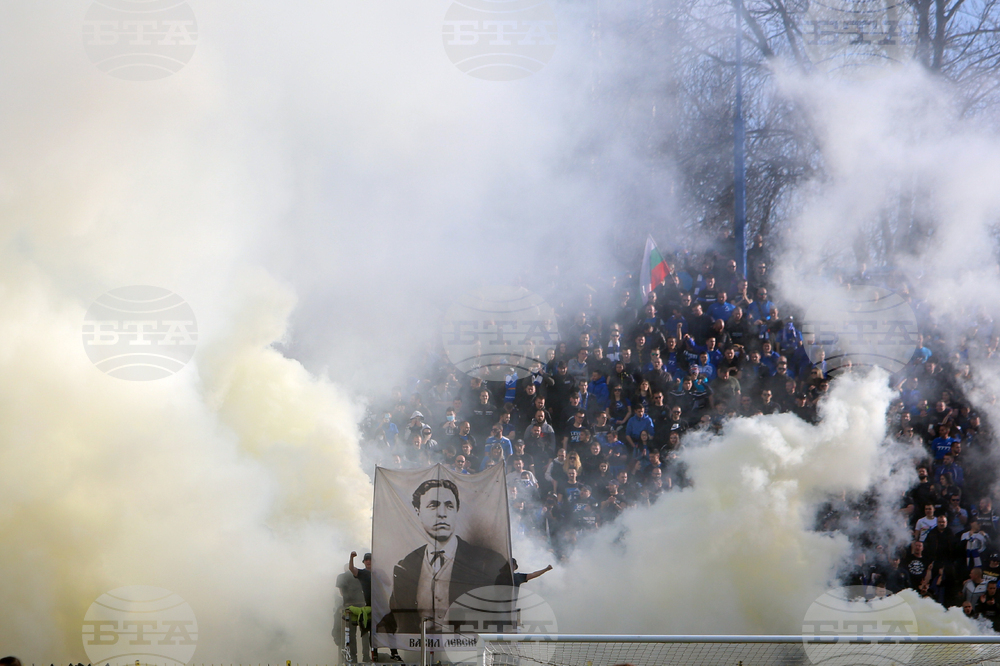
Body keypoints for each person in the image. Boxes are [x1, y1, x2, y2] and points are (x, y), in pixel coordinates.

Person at [377, 478, 510, 634]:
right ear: (418, 511)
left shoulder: (486, 561)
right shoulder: (406, 565)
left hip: (465, 650)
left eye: (449, 505)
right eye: (433, 505)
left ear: (456, 511)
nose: (442, 514)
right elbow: (399, 615)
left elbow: (500, 611)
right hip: (420, 651)